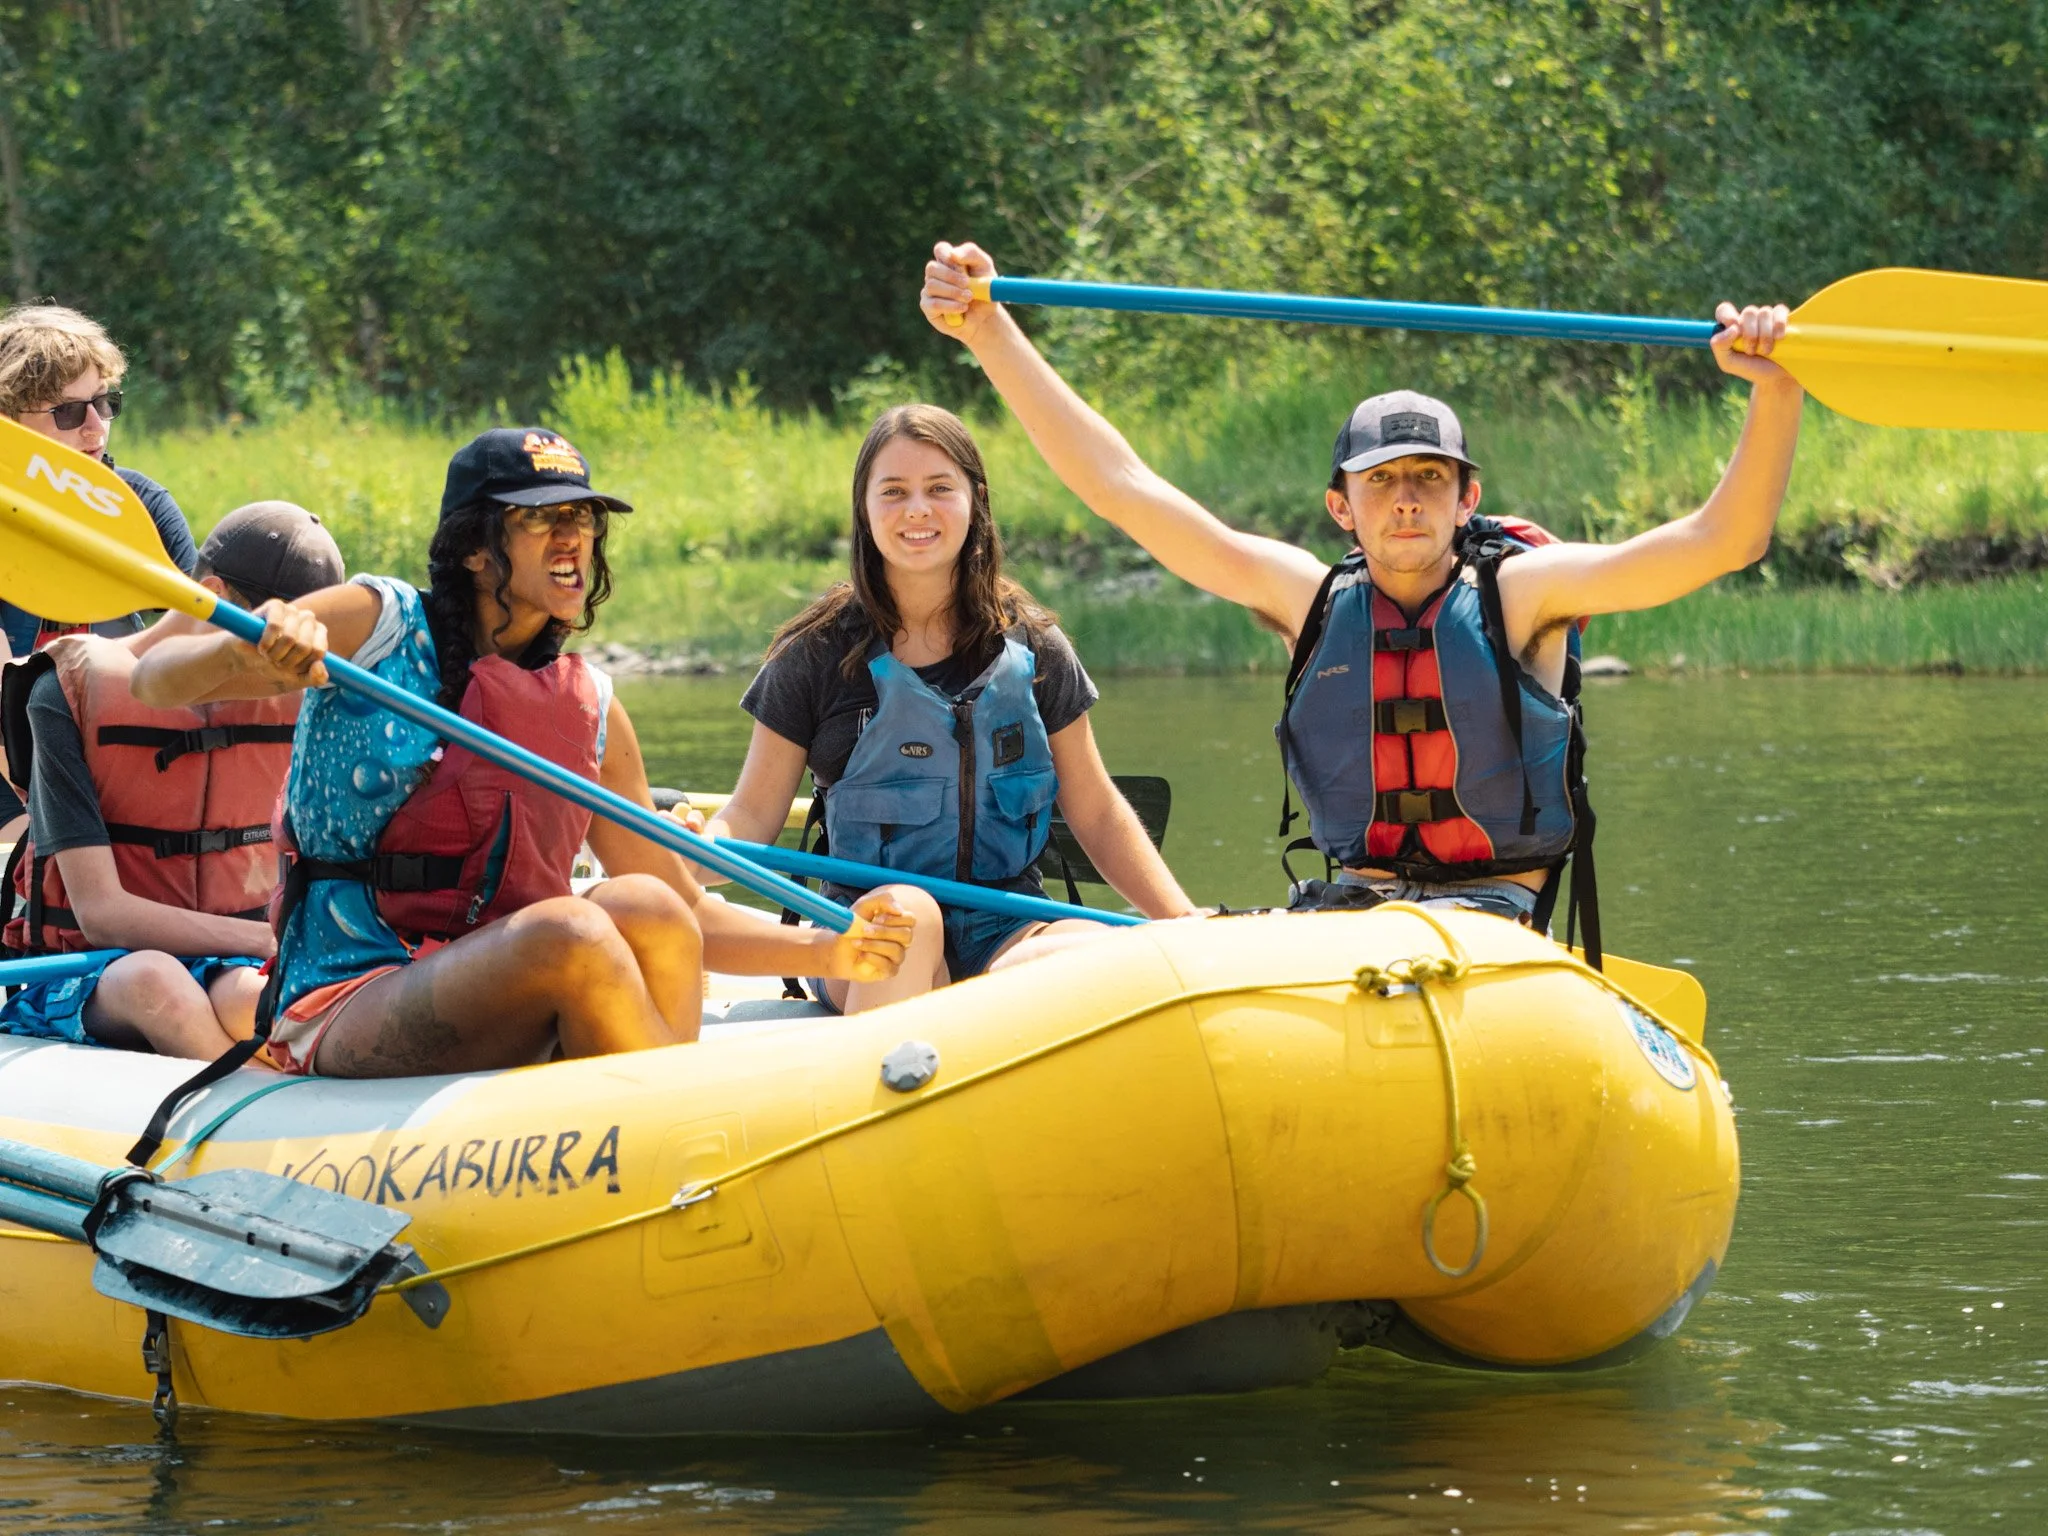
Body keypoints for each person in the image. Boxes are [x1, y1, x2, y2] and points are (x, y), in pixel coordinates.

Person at [920, 241, 1802, 955]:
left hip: (1494, 920)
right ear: (1343, 507)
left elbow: (1724, 542)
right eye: (1382, 482)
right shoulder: (1308, 600)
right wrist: (992, 334)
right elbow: (1125, 487)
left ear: (1469, 499)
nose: (1408, 497)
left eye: (1429, 477)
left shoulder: (1525, 592)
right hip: (1347, 914)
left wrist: (1774, 390)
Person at [130, 427, 914, 1077]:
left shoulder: (592, 704)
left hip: (505, 989)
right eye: (543, 520)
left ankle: (662, 1119)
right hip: (346, 994)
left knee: (644, 904)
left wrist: (835, 947)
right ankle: (677, 1120)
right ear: (476, 549)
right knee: (572, 931)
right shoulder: (376, 622)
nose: (575, 537)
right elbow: (154, 681)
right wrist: (253, 650)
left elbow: (693, 911)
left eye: (583, 517)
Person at [703, 403, 1195, 1013]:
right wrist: (698, 848)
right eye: (894, 491)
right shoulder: (814, 654)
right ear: (864, 507)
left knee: (1111, 955)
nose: (917, 510)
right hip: (866, 931)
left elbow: (1094, 810)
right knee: (910, 918)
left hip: (1007, 929)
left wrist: (1182, 920)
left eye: (940, 488)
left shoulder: (1036, 647)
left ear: (974, 502)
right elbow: (750, 813)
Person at [0, 503, 345, 1060]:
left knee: (251, 1000)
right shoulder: (65, 693)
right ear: (212, 595)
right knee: (157, 983)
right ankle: (245, 1130)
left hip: (224, 961)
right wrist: (262, 938)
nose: (281, 673)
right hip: (88, 970)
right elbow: (102, 913)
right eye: (272, 645)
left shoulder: (299, 702)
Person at [0, 304, 199, 656]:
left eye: (103, 402)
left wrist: (116, 659)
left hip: (113, 701)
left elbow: (202, 629)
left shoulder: (143, 502)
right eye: (67, 411)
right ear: (8, 422)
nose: (96, 428)